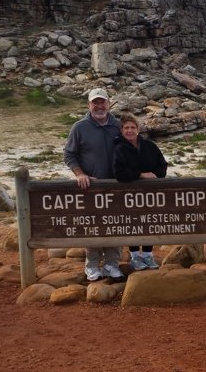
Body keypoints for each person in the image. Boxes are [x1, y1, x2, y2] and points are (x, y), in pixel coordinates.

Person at [63, 88, 124, 282]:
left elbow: (131, 150)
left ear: (109, 103)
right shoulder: (79, 127)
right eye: (95, 102)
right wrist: (80, 174)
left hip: (116, 187)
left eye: (102, 102)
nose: (99, 106)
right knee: (93, 227)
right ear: (89, 105)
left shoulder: (119, 126)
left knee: (116, 225)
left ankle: (112, 264)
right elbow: (69, 154)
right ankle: (92, 266)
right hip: (90, 188)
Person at [113, 113, 167, 270]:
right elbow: (119, 172)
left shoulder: (149, 146)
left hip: (150, 193)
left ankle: (148, 255)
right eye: (126, 128)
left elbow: (162, 164)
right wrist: (140, 175)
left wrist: (156, 177)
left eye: (133, 127)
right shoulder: (119, 148)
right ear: (122, 130)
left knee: (150, 222)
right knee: (133, 223)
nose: (129, 130)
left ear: (138, 129)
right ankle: (135, 256)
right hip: (129, 195)